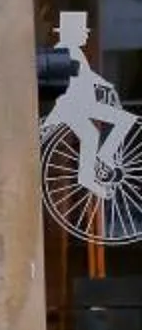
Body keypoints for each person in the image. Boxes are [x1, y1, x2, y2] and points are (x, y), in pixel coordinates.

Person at [50, 11, 133, 196]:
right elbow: (77, 74)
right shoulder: (64, 49)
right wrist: (100, 84)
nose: (86, 34)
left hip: (82, 105)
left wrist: (106, 85)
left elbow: (86, 75)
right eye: (82, 31)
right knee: (91, 135)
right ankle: (89, 175)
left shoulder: (74, 50)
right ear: (72, 32)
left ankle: (102, 159)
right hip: (73, 106)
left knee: (121, 121)